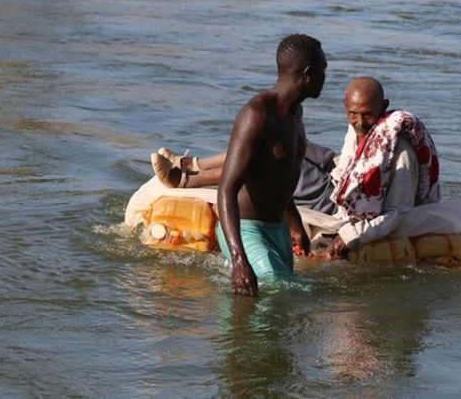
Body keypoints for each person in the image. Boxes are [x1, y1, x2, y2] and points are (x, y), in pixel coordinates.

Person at [217, 34, 326, 296]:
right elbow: (226, 190)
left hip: (277, 229)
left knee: (276, 316)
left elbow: (280, 174)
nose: (325, 78)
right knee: (280, 294)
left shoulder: (296, 113)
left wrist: (295, 222)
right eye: (323, 71)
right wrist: (239, 259)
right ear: (308, 74)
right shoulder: (257, 115)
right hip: (247, 229)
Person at [327, 76, 440, 259]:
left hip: (384, 223)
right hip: (352, 207)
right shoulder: (355, 129)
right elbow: (343, 170)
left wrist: (350, 235)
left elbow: (397, 213)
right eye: (353, 114)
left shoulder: (401, 152)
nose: (360, 122)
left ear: (384, 106)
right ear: (345, 106)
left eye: (368, 115)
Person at [151, 141, 338, 214]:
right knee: (279, 137)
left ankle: (188, 179)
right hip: (337, 170)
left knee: (270, 156)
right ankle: (192, 164)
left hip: (332, 194)